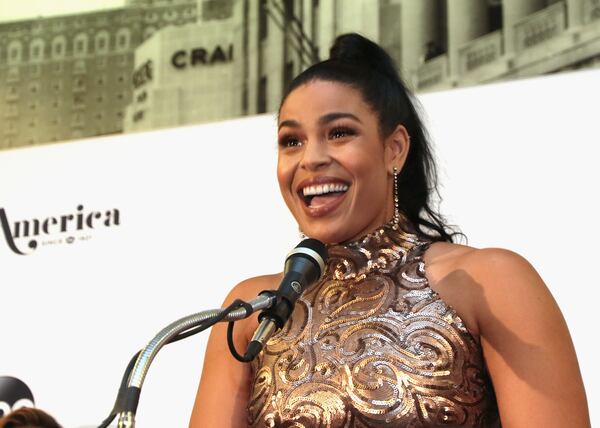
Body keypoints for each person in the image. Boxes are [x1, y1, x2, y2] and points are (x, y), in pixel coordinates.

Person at [189, 33, 590, 427]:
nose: (310, 159)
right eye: (291, 141)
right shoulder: (254, 313)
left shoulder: (489, 281)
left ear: (394, 148)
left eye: (340, 133)